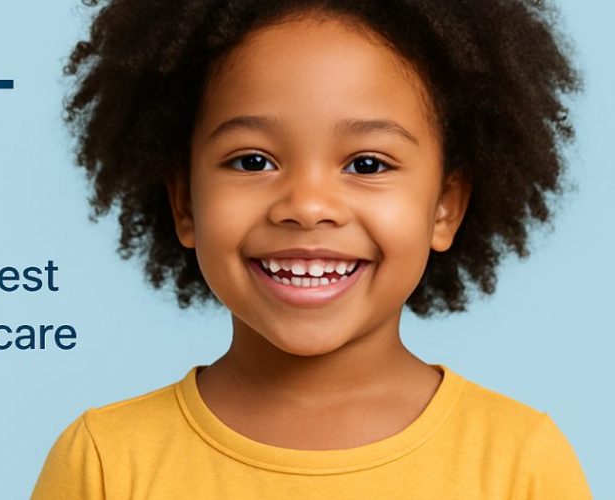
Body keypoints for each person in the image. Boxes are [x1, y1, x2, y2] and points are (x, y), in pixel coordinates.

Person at [32, 0, 591, 498]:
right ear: (185, 204)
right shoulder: (104, 463)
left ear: (444, 207)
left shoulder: (521, 464)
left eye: (367, 164)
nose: (307, 205)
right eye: (253, 161)